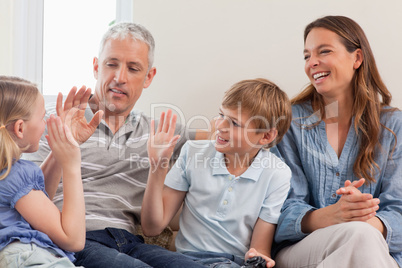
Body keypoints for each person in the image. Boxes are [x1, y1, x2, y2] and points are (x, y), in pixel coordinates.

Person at [25, 22, 207, 267]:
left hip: (130, 242)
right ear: (96, 67)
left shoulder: (157, 132)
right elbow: (31, 196)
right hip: (74, 241)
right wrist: (64, 146)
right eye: (111, 64)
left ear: (148, 77)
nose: (120, 77)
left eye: (133, 68)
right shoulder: (55, 120)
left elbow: (231, 131)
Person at [272, 15, 402, 268]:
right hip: (303, 250)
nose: (313, 63)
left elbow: (398, 208)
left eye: (324, 51)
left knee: (361, 237)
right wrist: (332, 216)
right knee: (359, 236)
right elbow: (280, 207)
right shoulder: (290, 121)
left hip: (372, 245)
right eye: (307, 56)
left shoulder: (394, 125)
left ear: (357, 58)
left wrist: (360, 218)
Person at [142, 78, 293, 267]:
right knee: (142, 254)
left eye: (234, 123)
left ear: (266, 136)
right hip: (183, 260)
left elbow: (260, 248)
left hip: (230, 263)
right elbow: (151, 228)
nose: (219, 126)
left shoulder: (277, 174)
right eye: (221, 115)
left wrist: (258, 259)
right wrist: (157, 168)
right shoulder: (193, 152)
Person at [0, 76, 85, 267]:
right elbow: (73, 240)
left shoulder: (5, 174)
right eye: (42, 117)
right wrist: (71, 166)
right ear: (20, 128)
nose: (46, 123)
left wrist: (58, 152)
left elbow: (39, 205)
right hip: (29, 256)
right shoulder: (15, 174)